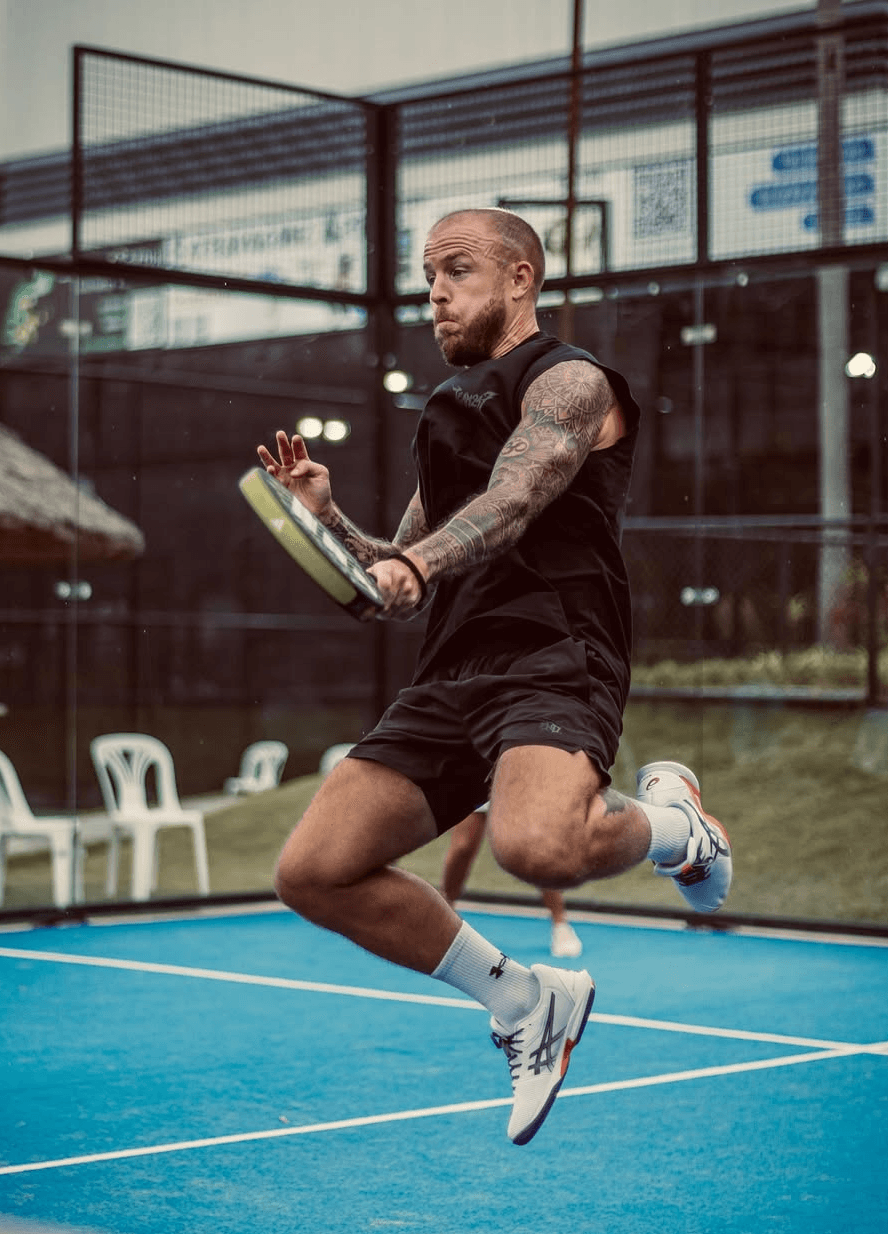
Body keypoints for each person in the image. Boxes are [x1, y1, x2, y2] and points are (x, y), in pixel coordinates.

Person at [257, 206, 731, 1146]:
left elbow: (519, 495)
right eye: (427, 274)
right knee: (313, 870)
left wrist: (419, 565)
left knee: (538, 849)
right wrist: (329, 519)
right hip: (453, 670)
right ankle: (522, 999)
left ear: (520, 278)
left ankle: (679, 827)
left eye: (457, 270)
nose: (434, 291)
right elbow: (402, 562)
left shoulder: (571, 383)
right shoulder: (449, 414)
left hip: (556, 653)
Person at [442, 803, 583, 959]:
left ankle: (560, 924)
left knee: (535, 848)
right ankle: (445, 915)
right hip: (478, 780)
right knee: (463, 846)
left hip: (515, 782)